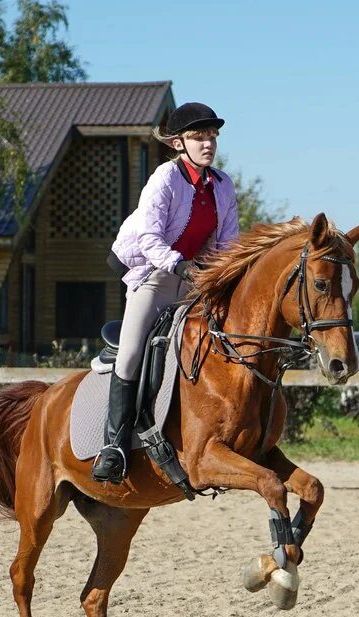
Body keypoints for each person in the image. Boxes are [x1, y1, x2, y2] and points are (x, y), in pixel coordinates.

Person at [94, 102, 240, 483]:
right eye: (198, 137)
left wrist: (216, 274)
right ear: (179, 143)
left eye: (212, 136)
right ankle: (113, 446)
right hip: (153, 273)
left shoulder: (222, 184)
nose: (208, 144)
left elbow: (228, 243)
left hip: (194, 279)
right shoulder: (164, 178)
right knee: (129, 354)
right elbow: (149, 237)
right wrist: (180, 265)